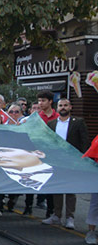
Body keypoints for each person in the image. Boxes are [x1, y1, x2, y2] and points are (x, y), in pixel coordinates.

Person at [43, 98, 89, 229]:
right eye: (60, 105)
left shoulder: (78, 122)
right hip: (57, 161)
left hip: (72, 162)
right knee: (57, 188)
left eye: (65, 105)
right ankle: (56, 215)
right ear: (57, 108)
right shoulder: (51, 124)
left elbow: (84, 141)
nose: (63, 107)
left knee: (70, 190)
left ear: (70, 107)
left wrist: (83, 159)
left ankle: (70, 217)